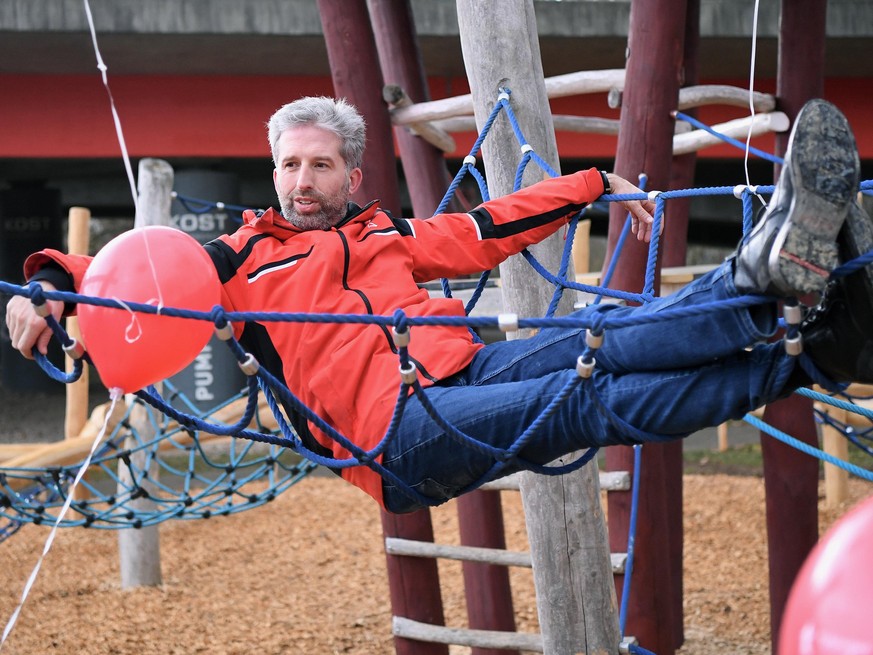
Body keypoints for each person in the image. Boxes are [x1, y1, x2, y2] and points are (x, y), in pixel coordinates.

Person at [5, 97, 872, 513]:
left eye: (317, 165)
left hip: (460, 371)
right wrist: (49, 289)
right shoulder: (236, 259)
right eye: (287, 165)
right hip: (390, 441)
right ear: (273, 173)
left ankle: (792, 317)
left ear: (351, 174)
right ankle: (784, 318)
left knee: (597, 333)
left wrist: (591, 184)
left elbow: (482, 227)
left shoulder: (384, 235)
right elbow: (130, 277)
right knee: (583, 392)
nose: (299, 181)